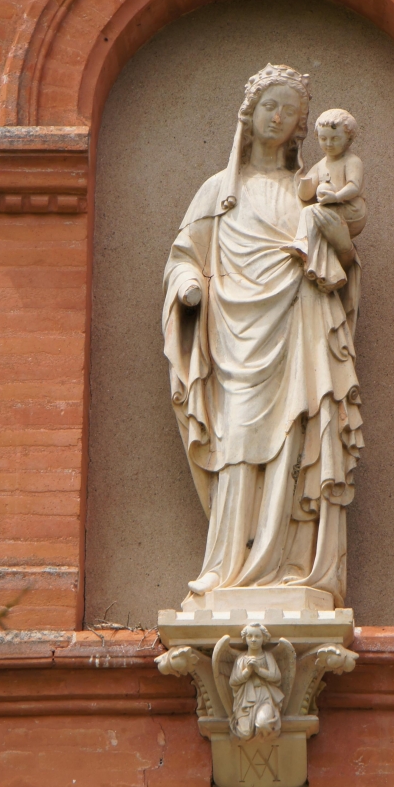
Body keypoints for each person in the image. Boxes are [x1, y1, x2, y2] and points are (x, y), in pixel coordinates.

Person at [162, 63, 364, 608]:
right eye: (270, 106)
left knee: (300, 437)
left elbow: (343, 256)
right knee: (239, 443)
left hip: (301, 319)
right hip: (234, 336)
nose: (279, 117)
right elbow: (186, 257)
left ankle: (295, 567)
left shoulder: (310, 191)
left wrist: (332, 235)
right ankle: (228, 567)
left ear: (302, 126)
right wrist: (186, 288)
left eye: (290, 111)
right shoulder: (218, 192)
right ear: (249, 116)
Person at [286, 108, 366, 292]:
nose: (328, 144)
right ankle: (324, 269)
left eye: (334, 138)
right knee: (310, 212)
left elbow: (354, 187)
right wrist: (304, 182)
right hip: (331, 209)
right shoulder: (320, 165)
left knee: (312, 212)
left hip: (352, 210)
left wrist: (336, 196)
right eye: (323, 139)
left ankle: (305, 246)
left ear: (349, 139)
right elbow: (305, 195)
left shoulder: (352, 161)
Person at [229, 623, 284, 741]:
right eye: (250, 636)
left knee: (263, 723)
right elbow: (233, 681)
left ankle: (268, 736)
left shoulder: (267, 656)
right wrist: (247, 671)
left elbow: (276, 677)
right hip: (245, 698)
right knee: (245, 733)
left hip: (264, 696)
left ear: (264, 638)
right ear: (245, 639)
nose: (253, 640)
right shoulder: (241, 659)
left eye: (257, 636)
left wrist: (259, 670)